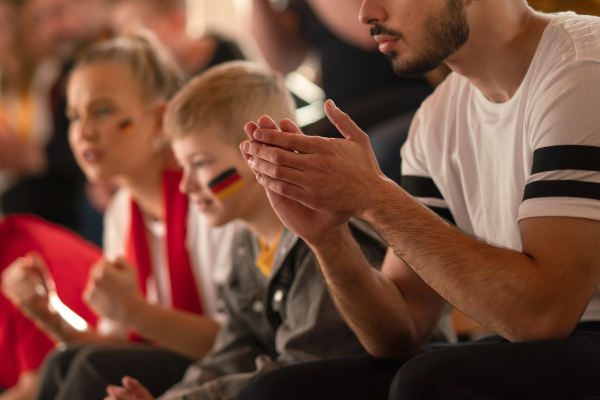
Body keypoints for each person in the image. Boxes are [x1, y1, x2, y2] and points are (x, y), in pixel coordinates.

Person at [239, 0, 600, 398]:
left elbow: (543, 317)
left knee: (429, 383)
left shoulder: (582, 69)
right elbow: (401, 332)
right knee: (279, 391)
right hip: (536, 345)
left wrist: (373, 196)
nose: (367, 14)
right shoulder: (436, 117)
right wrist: (328, 238)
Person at [95, 61, 413, 400]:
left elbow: (298, 369)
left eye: (201, 163)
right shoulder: (244, 243)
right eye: (182, 166)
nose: (186, 186)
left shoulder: (322, 235)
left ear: (262, 152)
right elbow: (231, 353)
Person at [2, 30, 238, 400]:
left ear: (160, 121)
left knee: (94, 367)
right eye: (74, 116)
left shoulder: (206, 200)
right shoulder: (121, 211)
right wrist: (49, 311)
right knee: (64, 361)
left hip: (230, 369)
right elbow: (109, 344)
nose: (83, 132)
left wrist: (134, 310)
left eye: (103, 111)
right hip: (180, 366)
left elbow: (241, 341)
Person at [108, 0, 244, 77]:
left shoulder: (232, 59)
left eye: (135, 28)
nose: (125, 41)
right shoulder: (155, 75)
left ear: (176, 22)